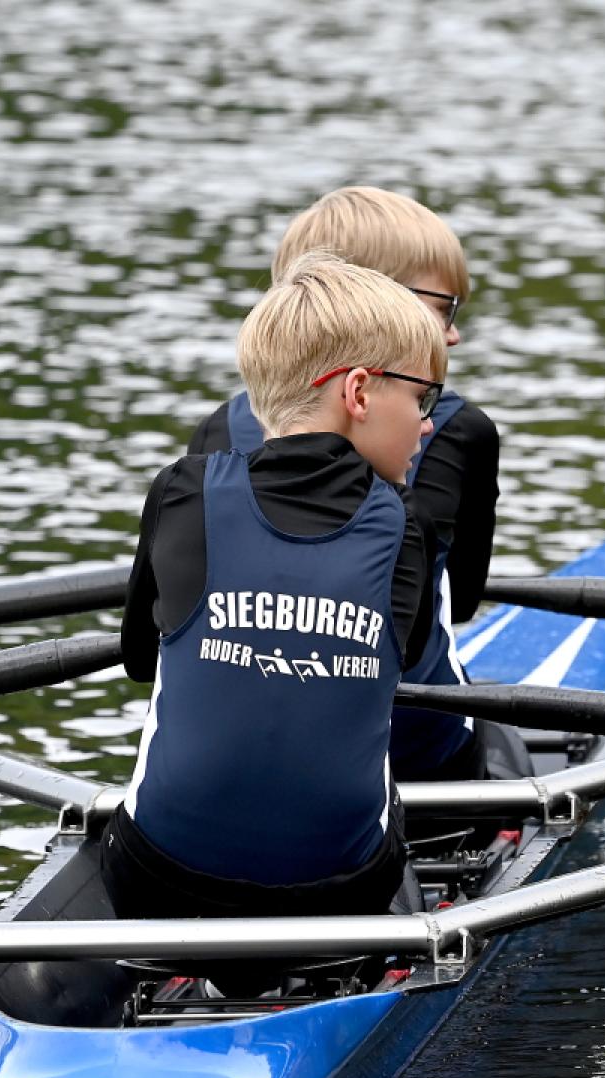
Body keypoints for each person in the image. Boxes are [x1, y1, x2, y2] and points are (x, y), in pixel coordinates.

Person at [106, 251, 447, 921]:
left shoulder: (183, 491)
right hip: (346, 888)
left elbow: (140, 659)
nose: (428, 422)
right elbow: (402, 662)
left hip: (155, 879)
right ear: (358, 393)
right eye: (421, 397)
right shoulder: (406, 523)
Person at [187, 186, 509, 782]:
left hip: (234, 742)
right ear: (375, 300)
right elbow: (460, 602)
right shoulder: (461, 429)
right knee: (503, 739)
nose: (454, 334)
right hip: (415, 750)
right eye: (444, 308)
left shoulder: (217, 430)